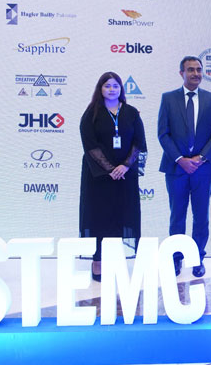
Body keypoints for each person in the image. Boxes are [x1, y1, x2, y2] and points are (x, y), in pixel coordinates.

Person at [158, 56, 211, 277]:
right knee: (177, 215)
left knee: (201, 215)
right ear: (181, 73)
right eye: (191, 70)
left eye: (199, 70)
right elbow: (163, 134)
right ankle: (176, 258)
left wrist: (200, 158)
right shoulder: (168, 99)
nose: (196, 73)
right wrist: (180, 159)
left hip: (203, 169)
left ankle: (197, 258)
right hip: (176, 168)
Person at [79, 72, 147, 282]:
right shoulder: (91, 113)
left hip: (125, 177)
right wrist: (110, 169)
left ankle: (117, 260)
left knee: (123, 215)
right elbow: (89, 145)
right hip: (98, 178)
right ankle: (98, 261)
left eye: (115, 85)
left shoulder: (132, 113)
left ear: (121, 89)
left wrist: (125, 166)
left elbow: (139, 143)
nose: (111, 89)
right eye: (107, 86)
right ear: (100, 89)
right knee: (99, 218)